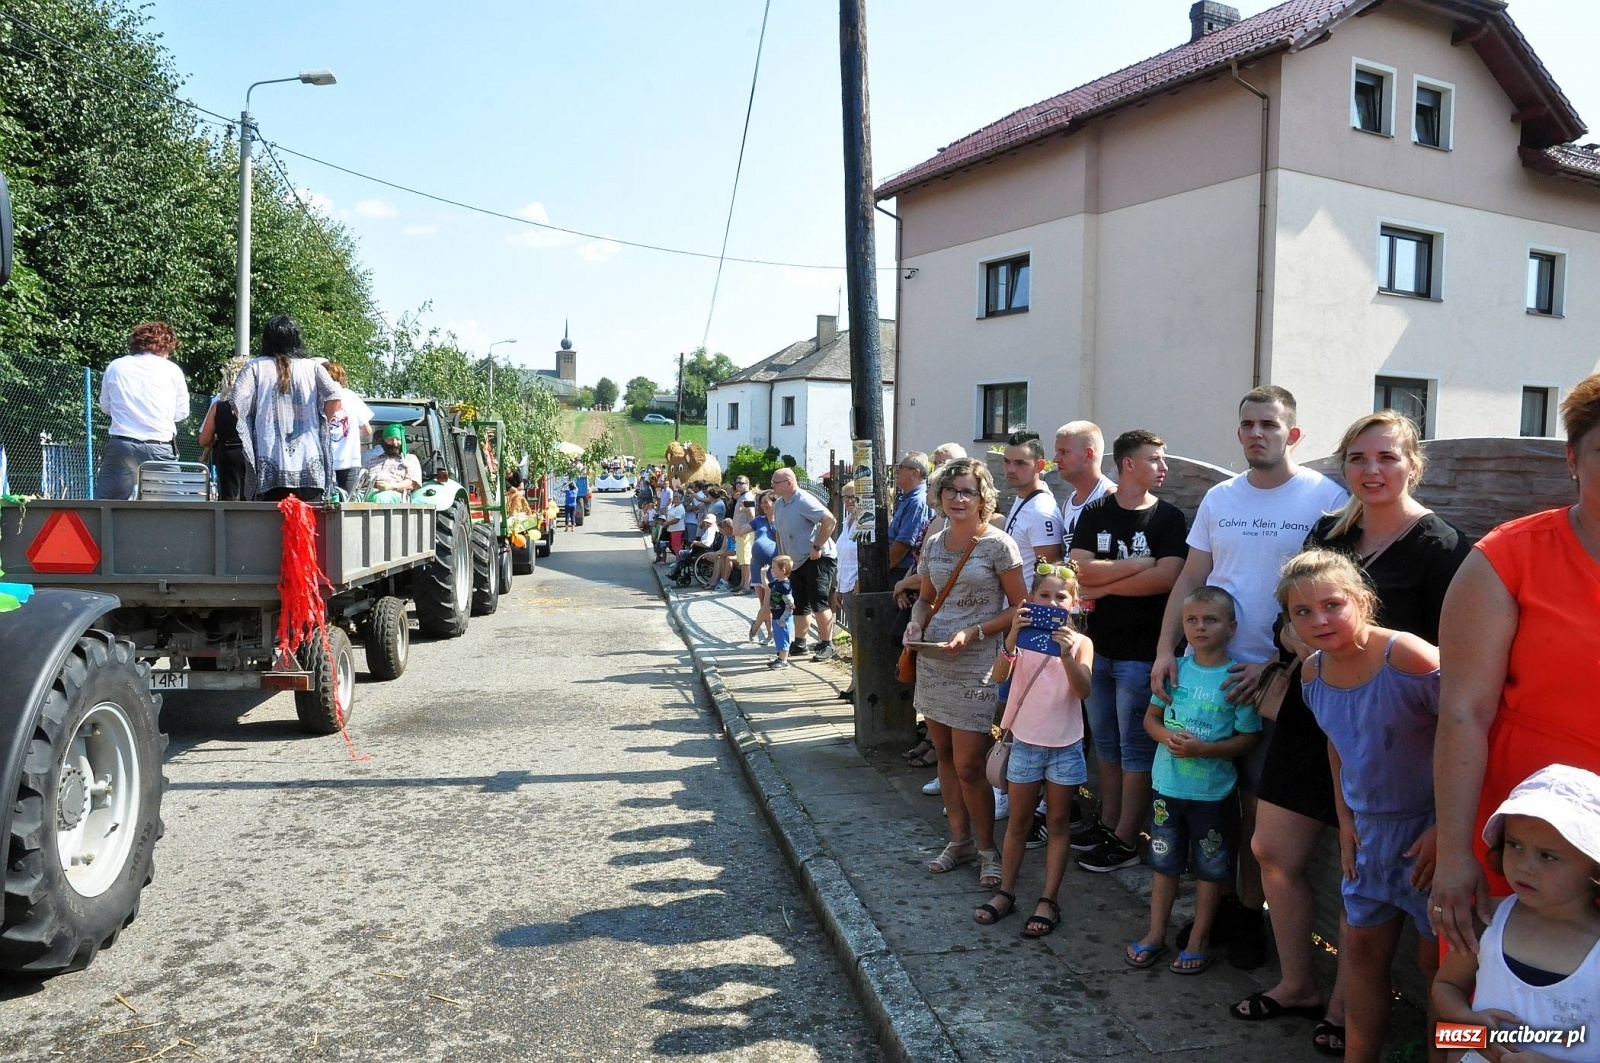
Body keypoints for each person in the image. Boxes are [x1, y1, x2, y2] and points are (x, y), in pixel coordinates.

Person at [1241, 410, 1468, 1054]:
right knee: (1272, 849)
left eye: (1387, 458)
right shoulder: (1329, 531)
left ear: (1412, 464)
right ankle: (1300, 985)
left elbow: (1454, 672)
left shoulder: (1443, 548)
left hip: (1396, 737)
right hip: (1320, 708)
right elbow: (1287, 615)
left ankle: (1347, 1009)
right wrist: (1297, 640)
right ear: (1342, 466)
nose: (1372, 471)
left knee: (1380, 882)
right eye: (1359, 459)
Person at [1152, 385, 1347, 970]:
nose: (1256, 433)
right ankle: (1224, 911)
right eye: (1246, 425)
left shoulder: (1327, 498)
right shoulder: (1219, 498)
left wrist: (1281, 663)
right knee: (1215, 803)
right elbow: (1190, 577)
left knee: (1264, 811)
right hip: (1205, 680)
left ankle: (1250, 919)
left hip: (1283, 685)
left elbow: (1335, 595)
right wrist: (1166, 650)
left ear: (1293, 434)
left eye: (1268, 423)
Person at [1432, 374, 1600, 960]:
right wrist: (1455, 852)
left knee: (1576, 1027)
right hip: (1521, 836)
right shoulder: (1509, 558)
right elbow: (1462, 713)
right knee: (1473, 996)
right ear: (1574, 459)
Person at [1280, 548, 1441, 1063]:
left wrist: (1448, 828)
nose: (1319, 620)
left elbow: (1469, 730)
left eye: (1332, 604)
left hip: (1429, 838)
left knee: (1441, 969)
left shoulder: (1410, 658)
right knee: (1363, 958)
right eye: (1302, 612)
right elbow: (1337, 741)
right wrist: (1345, 818)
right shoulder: (1311, 675)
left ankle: (1448, 1056)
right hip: (1368, 838)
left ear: (1362, 601)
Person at [902, 456, 1026, 891]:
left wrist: (975, 630)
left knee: (972, 764)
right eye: (951, 490)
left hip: (977, 663)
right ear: (939, 495)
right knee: (946, 757)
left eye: (967, 491)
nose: (958, 498)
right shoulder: (934, 544)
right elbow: (926, 598)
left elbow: (1020, 608)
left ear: (982, 497)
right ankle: (959, 842)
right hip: (935, 660)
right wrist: (915, 622)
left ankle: (989, 849)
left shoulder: (998, 545)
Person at [1070, 430, 1189, 874]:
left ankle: (1125, 837)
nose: (1164, 467)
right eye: (1155, 459)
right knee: (1106, 743)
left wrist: (1104, 580)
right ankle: (1107, 823)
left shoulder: (1168, 518)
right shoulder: (1096, 512)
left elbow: (1167, 579)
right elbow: (1075, 571)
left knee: (1136, 747)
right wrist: (1138, 565)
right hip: (1098, 650)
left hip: (1143, 653)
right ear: (1128, 464)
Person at [1125, 586, 1260, 975]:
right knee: (1163, 863)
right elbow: (1151, 719)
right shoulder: (1175, 670)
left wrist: (1205, 750)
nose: (1200, 627)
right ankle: (1155, 933)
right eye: (1192, 620)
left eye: (1211, 620)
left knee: (1211, 869)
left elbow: (1249, 737)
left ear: (1231, 627)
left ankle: (1200, 938)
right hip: (1167, 788)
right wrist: (1167, 737)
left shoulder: (1237, 679)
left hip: (1213, 794)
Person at [1432, 764, 1600, 1063]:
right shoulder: (1487, 919)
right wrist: (1469, 1026)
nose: (1524, 865)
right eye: (1514, 845)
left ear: (1594, 866)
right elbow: (1446, 987)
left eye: (1547, 855)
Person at [975, 564, 1093, 938]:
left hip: (1065, 743)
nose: (1052, 602)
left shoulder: (1081, 643)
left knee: (1057, 823)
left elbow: (1083, 690)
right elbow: (998, 678)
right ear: (1031, 599)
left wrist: (1068, 656)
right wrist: (1011, 639)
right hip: (1025, 741)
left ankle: (1048, 898)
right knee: (1018, 823)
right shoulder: (1021, 638)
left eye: (1061, 597)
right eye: (1045, 595)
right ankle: (1006, 891)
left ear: (1074, 604)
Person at [231, 315, 341, 503]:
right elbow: (334, 397)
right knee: (308, 528)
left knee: (269, 528)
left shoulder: (254, 368)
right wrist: (317, 423)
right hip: (309, 463)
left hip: (269, 466)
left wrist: (256, 422)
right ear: (296, 338)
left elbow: (237, 403)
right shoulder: (313, 368)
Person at [94, 321, 190, 500]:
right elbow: (182, 413)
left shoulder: (116, 366)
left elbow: (105, 407)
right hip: (159, 445)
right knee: (174, 506)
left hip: (122, 444)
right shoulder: (172, 370)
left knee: (107, 504)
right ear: (166, 346)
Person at [771, 468, 841, 662]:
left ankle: (827, 644)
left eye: (775, 483)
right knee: (800, 603)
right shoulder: (779, 503)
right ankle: (800, 643)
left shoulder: (803, 500)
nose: (772, 486)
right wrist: (781, 555)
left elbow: (829, 520)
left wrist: (817, 546)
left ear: (789, 482)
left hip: (816, 558)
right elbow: (780, 531)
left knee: (818, 600)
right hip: (796, 560)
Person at [1000, 430, 1064, 587]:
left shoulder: (1041, 511)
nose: (1011, 469)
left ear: (1039, 465)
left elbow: (1050, 577)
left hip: (1027, 608)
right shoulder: (1024, 498)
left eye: (1020, 463)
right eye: (1007, 461)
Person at [1053, 421, 1114, 551]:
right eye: (1057, 452)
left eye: (1064, 452)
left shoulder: (1111, 498)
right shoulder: (1069, 503)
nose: (1056, 459)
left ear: (1088, 454)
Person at [197, 355, 249, 500]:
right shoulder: (259, 405)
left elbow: (205, 439)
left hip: (228, 454)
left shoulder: (218, 406)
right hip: (252, 454)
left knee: (229, 500)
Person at [323, 362, 373, 497]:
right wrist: (354, 436)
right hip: (349, 458)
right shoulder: (350, 396)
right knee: (348, 506)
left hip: (323, 462)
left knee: (323, 503)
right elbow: (368, 431)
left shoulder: (317, 395)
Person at [889, 452, 934, 579]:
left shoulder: (917, 501)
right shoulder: (910, 499)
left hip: (902, 571)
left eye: (901, 467)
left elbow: (903, 545)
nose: (896, 471)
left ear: (916, 472)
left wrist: (882, 571)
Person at [747, 491, 781, 643]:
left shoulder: (781, 519)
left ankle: (755, 627)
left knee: (772, 601)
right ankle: (769, 634)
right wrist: (741, 513)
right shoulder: (758, 520)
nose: (763, 505)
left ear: (775, 502)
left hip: (776, 567)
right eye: (761, 503)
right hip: (758, 566)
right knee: (763, 602)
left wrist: (773, 522)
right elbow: (738, 531)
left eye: (766, 502)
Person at [364, 424, 423, 497]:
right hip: (366, 492)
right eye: (390, 439)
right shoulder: (373, 460)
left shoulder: (410, 459)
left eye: (398, 439)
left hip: (392, 493)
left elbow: (412, 483)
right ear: (384, 441)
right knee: (348, 499)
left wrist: (391, 486)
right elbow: (360, 478)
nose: (395, 443)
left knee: (379, 498)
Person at [766, 555, 795, 669]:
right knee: (778, 637)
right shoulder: (776, 583)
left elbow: (790, 605)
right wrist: (763, 574)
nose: (771, 570)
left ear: (782, 570)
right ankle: (781, 657)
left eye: (773, 568)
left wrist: (784, 618)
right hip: (776, 616)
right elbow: (766, 586)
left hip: (782, 617)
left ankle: (783, 660)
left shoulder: (785, 586)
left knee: (783, 638)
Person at [730, 475, 757, 592]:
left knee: (746, 560)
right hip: (739, 532)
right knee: (742, 559)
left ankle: (746, 586)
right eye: (737, 482)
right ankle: (742, 583)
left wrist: (747, 528)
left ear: (747, 484)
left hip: (745, 533)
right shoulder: (743, 496)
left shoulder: (748, 497)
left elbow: (751, 514)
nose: (738, 484)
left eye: (741, 483)